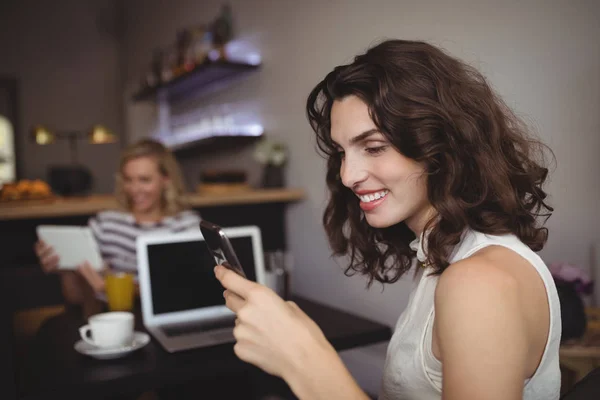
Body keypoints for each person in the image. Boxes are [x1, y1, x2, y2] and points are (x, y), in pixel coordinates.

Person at [214, 39, 561, 400]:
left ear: (441, 144)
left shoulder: (480, 282)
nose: (348, 176)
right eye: (341, 152)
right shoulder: (445, 257)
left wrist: (303, 358)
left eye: (374, 147)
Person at [34, 138, 200, 307]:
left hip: (165, 315)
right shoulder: (105, 224)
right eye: (128, 179)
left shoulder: (187, 226)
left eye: (144, 180)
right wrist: (65, 269)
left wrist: (117, 287)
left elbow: (188, 290)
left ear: (166, 180)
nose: (134, 189)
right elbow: (75, 298)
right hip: (109, 316)